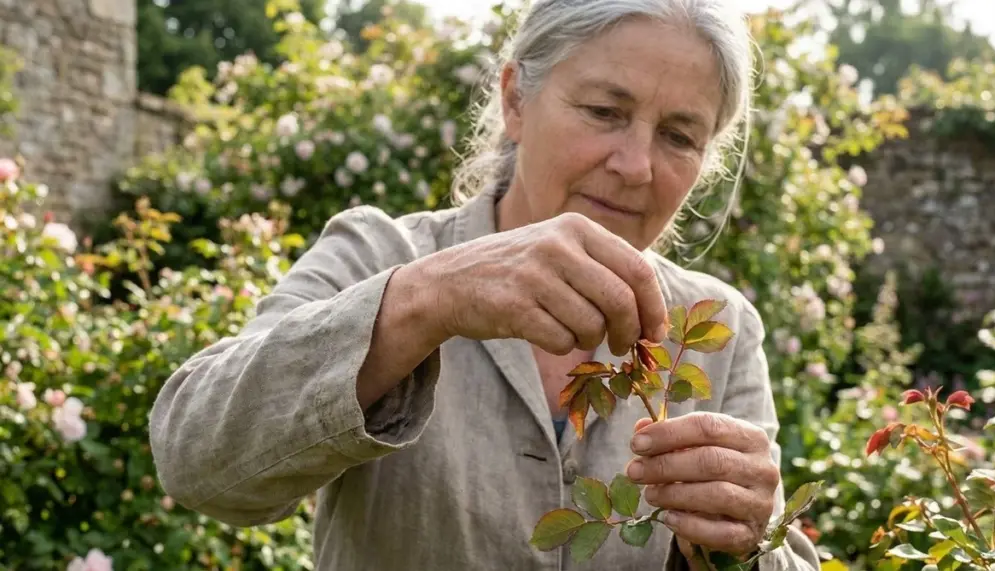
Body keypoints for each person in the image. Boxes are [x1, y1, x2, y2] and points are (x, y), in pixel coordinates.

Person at [149, 0, 821, 569]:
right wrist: (426, 300)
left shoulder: (718, 329)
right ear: (514, 101)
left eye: (679, 135)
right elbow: (195, 458)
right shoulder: (383, 254)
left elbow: (766, 548)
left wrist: (752, 538)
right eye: (603, 111)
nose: (636, 164)